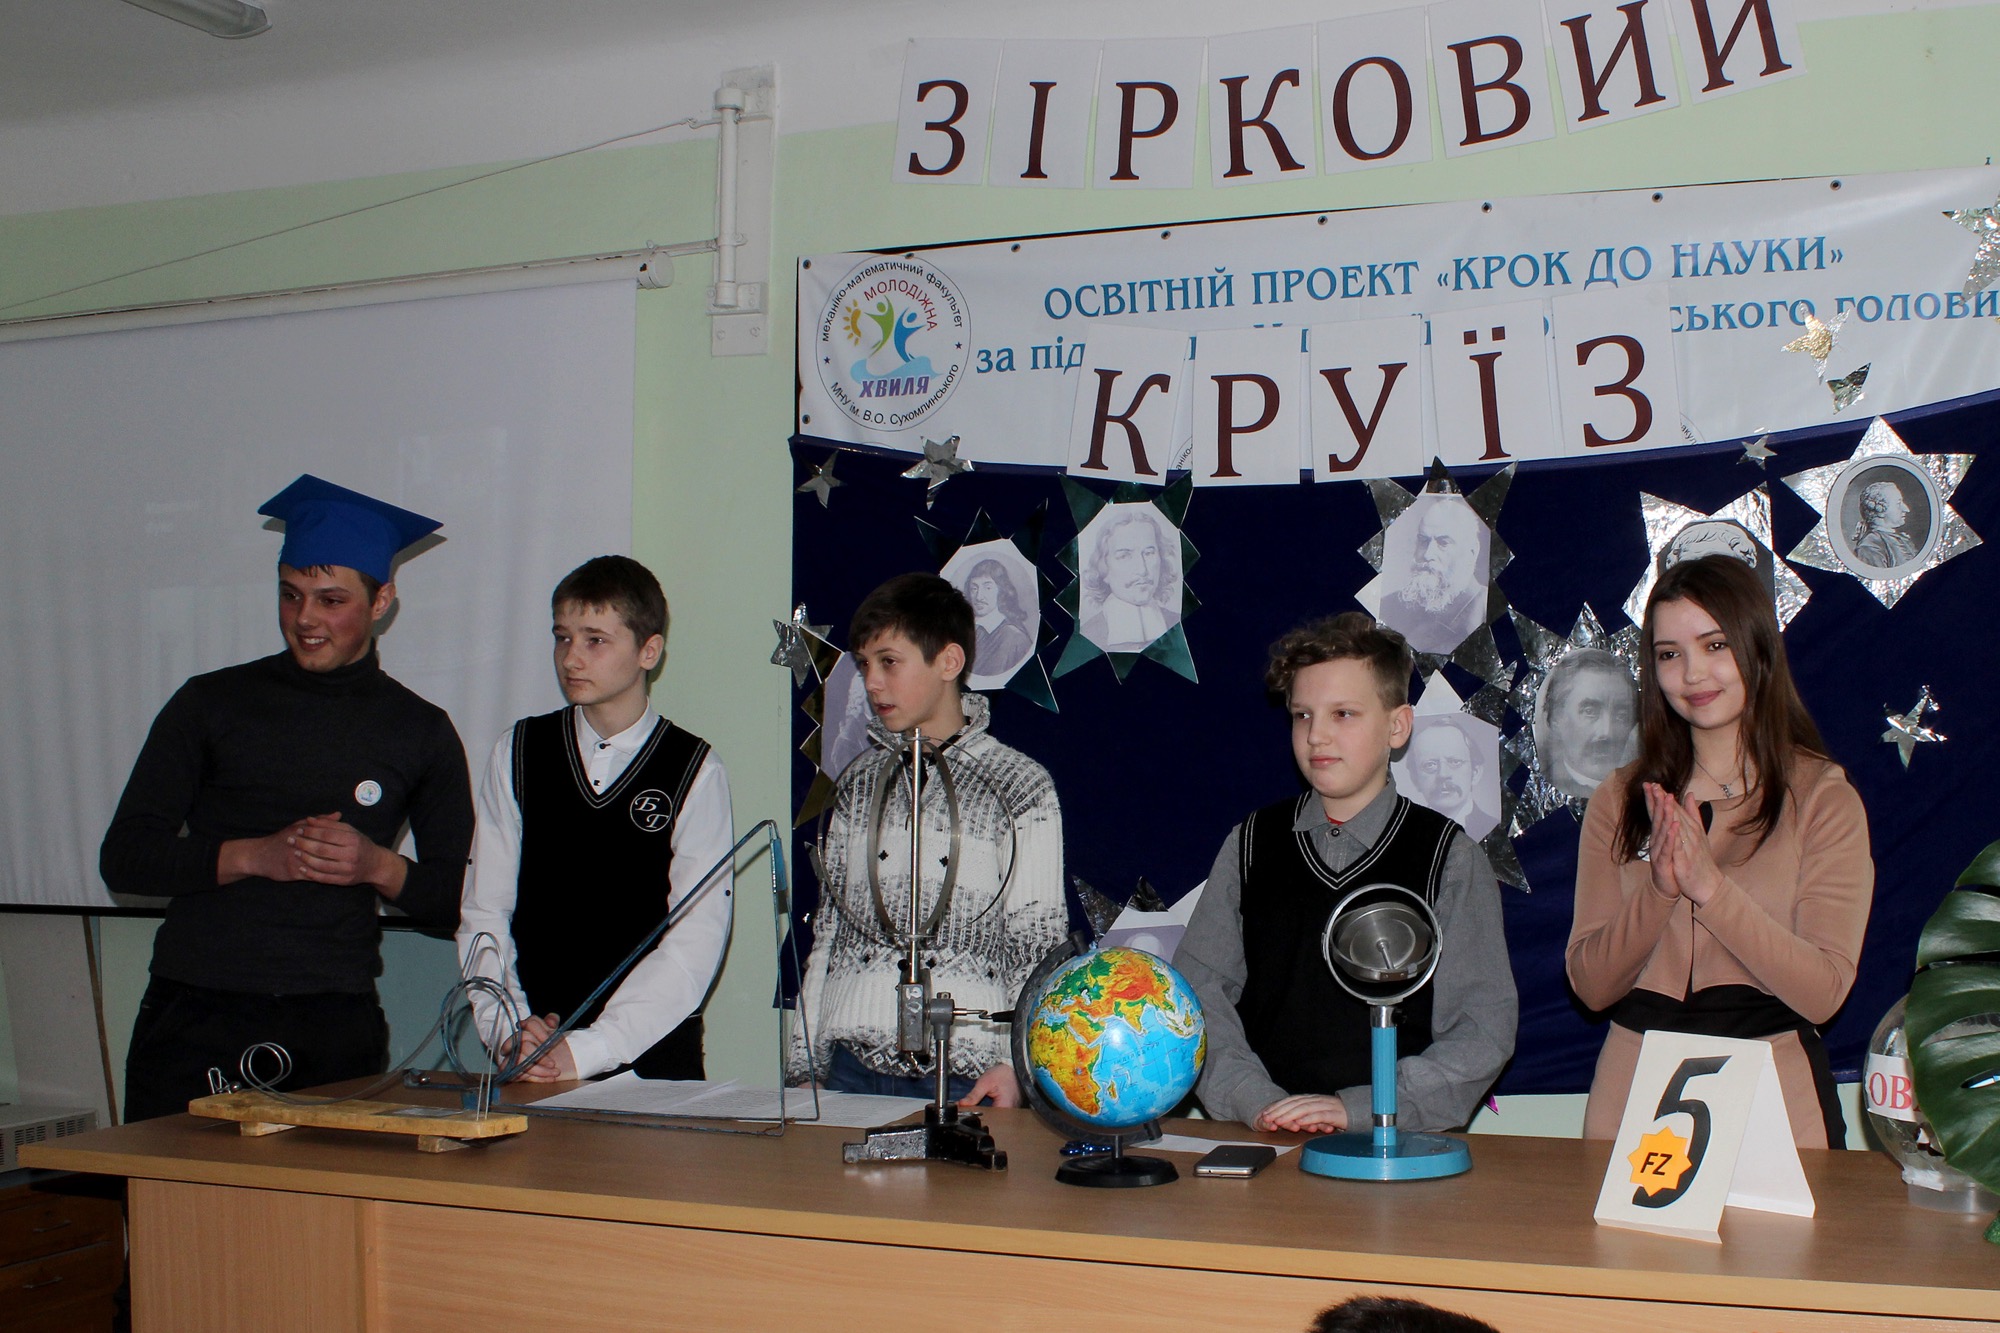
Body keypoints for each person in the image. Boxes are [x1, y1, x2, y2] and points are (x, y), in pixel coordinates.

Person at [103, 475, 474, 1122]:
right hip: (193, 1012)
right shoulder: (209, 703)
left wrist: (376, 866)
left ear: (382, 601)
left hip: (331, 1023)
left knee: (323, 1194)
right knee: (174, 1190)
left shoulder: (420, 729)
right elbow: (126, 857)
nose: (306, 619)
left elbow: (459, 899)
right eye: (290, 595)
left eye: (332, 600)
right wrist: (252, 856)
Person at [1566, 555, 1873, 1149]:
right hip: (1632, 1103)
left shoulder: (1822, 796)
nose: (1693, 673)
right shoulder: (1620, 798)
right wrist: (1659, 891)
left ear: (1758, 649)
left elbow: (1825, 991)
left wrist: (1710, 889)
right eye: (1669, 654)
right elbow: (1590, 985)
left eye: (1714, 645)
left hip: (1776, 1101)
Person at [1176, 612, 1516, 1135]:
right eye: (1302, 715)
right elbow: (1197, 997)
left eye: (1343, 714)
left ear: (1397, 727)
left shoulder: (1448, 858)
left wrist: (1367, 1107)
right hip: (1265, 1135)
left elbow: (1482, 1029)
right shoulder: (1249, 844)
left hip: (1395, 1148)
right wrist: (1254, 1099)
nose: (1317, 736)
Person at [787, 573, 1066, 1104]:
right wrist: (805, 1065)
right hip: (849, 1065)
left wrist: (1017, 1065)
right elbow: (829, 935)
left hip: (967, 1072)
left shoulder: (1019, 785)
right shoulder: (858, 783)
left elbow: (1037, 943)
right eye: (864, 664)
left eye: (889, 662)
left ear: (949, 662)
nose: (872, 682)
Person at [457, 556, 732, 1082]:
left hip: (651, 1064)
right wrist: (509, 1029)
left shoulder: (695, 769)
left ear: (649, 651)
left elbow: (694, 942)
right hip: (531, 1055)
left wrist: (589, 1049)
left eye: (595, 640)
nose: (571, 658)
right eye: (562, 638)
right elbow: (484, 911)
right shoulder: (519, 750)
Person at [1381, 497, 1487, 655]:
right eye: (1423, 541)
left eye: (1443, 543)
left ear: (1472, 551)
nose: (1427, 554)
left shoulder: (1488, 610)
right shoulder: (1389, 607)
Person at [1537, 649, 1637, 801]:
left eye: (1621, 715)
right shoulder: (1541, 791)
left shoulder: (1643, 790)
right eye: (1590, 712)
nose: (1606, 732)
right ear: (1556, 718)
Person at [1080, 505, 1181, 652]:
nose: (1142, 570)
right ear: (1103, 567)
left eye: (1149, 553)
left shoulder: (1178, 623)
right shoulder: (1087, 636)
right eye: (1124, 556)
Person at [1400, 715, 1499, 843]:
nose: (1443, 774)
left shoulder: (1496, 830)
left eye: (1454, 762)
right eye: (1430, 765)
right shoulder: (1404, 836)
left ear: (1475, 773)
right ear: (1415, 779)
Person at [962, 557, 1033, 682]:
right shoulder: (963, 632)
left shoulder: (1016, 639)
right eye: (974, 588)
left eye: (987, 588)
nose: (979, 597)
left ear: (1001, 591)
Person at [1850, 478, 1919, 569]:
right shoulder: (1871, 546)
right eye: (1898, 503)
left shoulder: (1901, 538)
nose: (1906, 509)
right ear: (1881, 510)